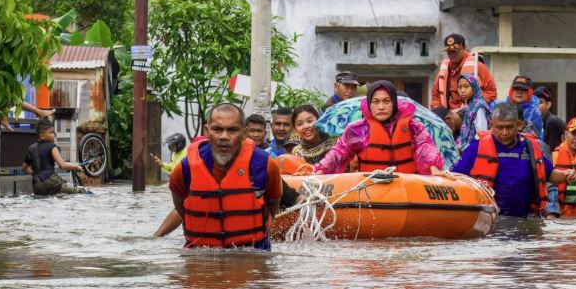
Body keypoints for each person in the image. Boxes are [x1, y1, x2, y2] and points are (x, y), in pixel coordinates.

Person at [160, 103, 293, 250]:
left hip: (253, 251)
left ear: (244, 133)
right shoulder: (185, 169)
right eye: (217, 129)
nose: (224, 136)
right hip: (200, 252)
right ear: (206, 131)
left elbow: (273, 201)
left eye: (232, 130)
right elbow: (181, 207)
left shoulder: (266, 165)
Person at [452, 103, 576, 219]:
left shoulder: (530, 148)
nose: (504, 132)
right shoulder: (477, 147)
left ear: (519, 125)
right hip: (489, 219)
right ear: (491, 125)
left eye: (509, 127)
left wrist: (566, 174)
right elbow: (456, 177)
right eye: (499, 128)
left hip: (526, 218)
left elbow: (551, 175)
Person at [315, 80, 445, 175]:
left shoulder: (412, 126)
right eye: (375, 102)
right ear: (369, 104)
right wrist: (321, 170)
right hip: (372, 188)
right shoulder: (357, 129)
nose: (381, 107)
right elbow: (339, 152)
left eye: (386, 101)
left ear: (394, 103)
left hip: (407, 188)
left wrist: (434, 169)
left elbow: (425, 147)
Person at [430, 33, 497, 110]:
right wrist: (439, 110)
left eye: (455, 51)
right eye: (449, 52)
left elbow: (491, 92)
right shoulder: (444, 70)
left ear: (464, 48)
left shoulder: (477, 66)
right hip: (449, 114)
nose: (452, 54)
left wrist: (472, 105)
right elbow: (435, 96)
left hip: (471, 113)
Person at [21, 119, 85, 195]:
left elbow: (24, 168)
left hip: (37, 185)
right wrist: (76, 167)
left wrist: (35, 174)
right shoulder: (52, 146)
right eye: (51, 132)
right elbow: (62, 165)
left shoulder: (31, 148)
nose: (54, 135)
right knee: (80, 191)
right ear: (42, 136)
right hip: (52, 182)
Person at [455, 73, 491, 149]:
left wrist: (469, 149)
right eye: (459, 87)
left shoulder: (479, 107)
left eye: (466, 86)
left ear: (474, 87)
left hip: (475, 149)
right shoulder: (471, 105)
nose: (462, 90)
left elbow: (482, 133)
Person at [506, 75, 545, 140]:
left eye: (523, 89)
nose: (519, 92)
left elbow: (536, 139)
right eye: (516, 89)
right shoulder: (502, 108)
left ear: (529, 92)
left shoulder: (535, 113)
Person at [534, 86, 564, 152]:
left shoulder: (552, 122)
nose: (536, 105)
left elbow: (551, 151)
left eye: (540, 102)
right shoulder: (535, 121)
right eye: (534, 102)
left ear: (548, 105)